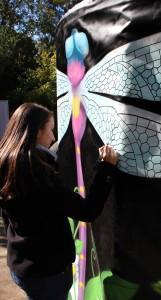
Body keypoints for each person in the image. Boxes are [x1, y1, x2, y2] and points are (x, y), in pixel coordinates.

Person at [0, 102, 118, 300]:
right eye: (51, 130)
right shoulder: (38, 173)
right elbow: (87, 211)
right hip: (46, 273)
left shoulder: (8, 162)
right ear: (37, 132)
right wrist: (106, 168)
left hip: (22, 265)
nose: (54, 137)